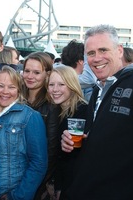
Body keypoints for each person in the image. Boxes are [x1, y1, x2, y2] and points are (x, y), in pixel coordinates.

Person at [61, 24, 133, 199]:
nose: (96, 58)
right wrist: (74, 144)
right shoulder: (98, 90)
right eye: (91, 53)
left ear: (119, 51)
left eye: (103, 50)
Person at [0, 66, 48, 200]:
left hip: (8, 192)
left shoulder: (30, 117)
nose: (5, 92)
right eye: (0, 86)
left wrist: (18, 196)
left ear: (19, 89)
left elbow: (39, 163)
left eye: (12, 87)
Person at [21, 51, 61, 200]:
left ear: (47, 74)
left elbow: (51, 149)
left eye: (37, 72)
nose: (30, 76)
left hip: (35, 179)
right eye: (27, 71)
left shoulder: (51, 105)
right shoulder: (15, 96)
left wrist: (36, 183)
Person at [47, 66, 88, 200]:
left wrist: (61, 188)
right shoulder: (58, 111)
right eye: (51, 84)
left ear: (72, 85)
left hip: (74, 187)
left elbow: (73, 156)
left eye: (61, 84)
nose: (55, 89)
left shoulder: (81, 111)